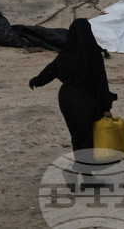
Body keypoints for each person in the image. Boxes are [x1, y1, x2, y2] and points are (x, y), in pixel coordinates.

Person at [28, 18, 117, 187]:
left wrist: (36, 81)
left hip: (67, 98)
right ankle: (74, 171)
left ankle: (88, 179)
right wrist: (106, 107)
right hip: (86, 100)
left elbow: (50, 71)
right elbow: (101, 82)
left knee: (78, 137)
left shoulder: (66, 54)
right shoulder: (93, 54)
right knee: (88, 139)